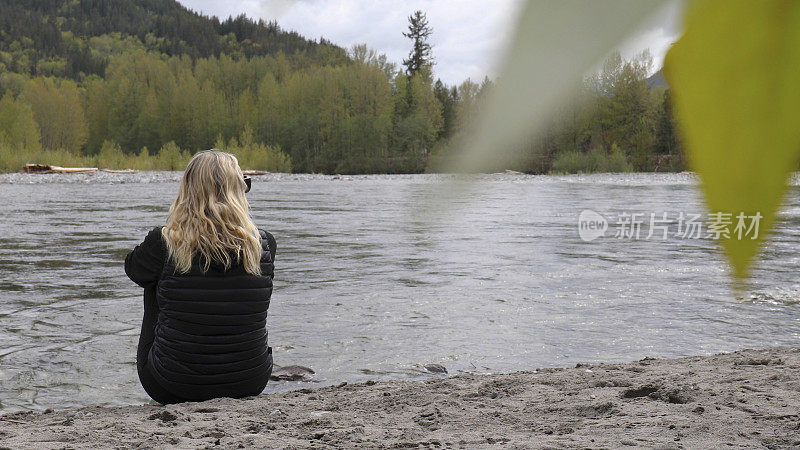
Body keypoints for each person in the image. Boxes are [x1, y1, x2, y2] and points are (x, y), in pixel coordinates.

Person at [125, 150, 276, 404]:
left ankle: (181, 362)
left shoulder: (163, 242)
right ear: (238, 192)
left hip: (169, 386)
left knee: (154, 279)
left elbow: (133, 270)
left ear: (187, 191)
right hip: (250, 382)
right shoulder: (264, 244)